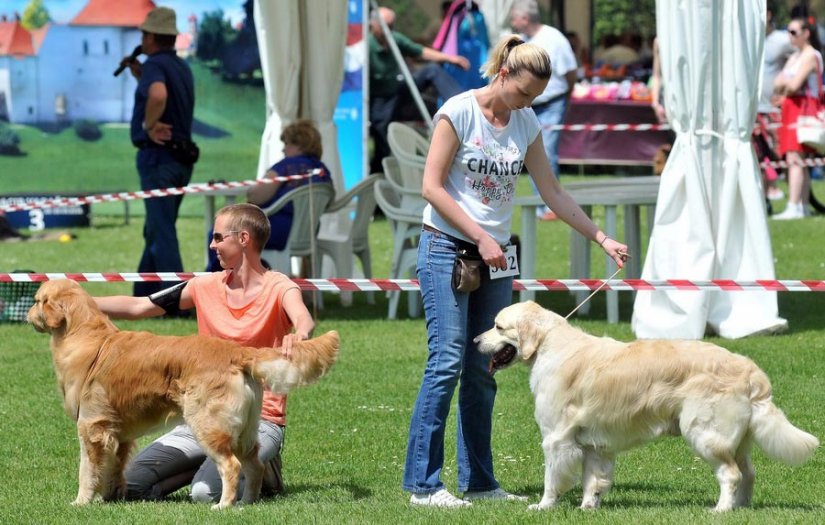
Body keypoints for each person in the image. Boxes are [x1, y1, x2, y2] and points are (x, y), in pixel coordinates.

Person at [403, 35, 628, 508]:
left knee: (485, 368)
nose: (529, 104)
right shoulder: (457, 112)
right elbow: (431, 187)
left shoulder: (525, 123)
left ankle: (480, 483)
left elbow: (554, 192)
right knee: (445, 361)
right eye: (524, 93)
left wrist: (600, 238)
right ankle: (423, 486)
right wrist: (480, 237)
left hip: (497, 258)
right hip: (448, 248)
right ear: (503, 73)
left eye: (536, 98)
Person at [94, 203, 315, 503]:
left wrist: (300, 335)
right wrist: (78, 298)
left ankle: (263, 468)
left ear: (244, 239)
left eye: (219, 237)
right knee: (128, 488)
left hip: (258, 420)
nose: (212, 245)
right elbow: (140, 306)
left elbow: (303, 318)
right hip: (201, 416)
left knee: (204, 493)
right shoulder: (204, 286)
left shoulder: (279, 287)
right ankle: (213, 459)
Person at [123, 7, 197, 297]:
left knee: (161, 230)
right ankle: (144, 295)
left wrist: (149, 124)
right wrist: (140, 76)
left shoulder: (155, 65)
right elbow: (161, 91)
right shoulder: (180, 67)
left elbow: (158, 95)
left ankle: (175, 300)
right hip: (181, 159)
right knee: (156, 228)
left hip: (158, 158)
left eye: (144, 34)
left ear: (152, 37)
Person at [207, 120, 332, 272]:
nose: (284, 150)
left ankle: (218, 281)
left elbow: (256, 196)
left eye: (287, 144)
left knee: (220, 234)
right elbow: (330, 202)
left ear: (299, 144)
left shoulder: (287, 165)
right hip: (307, 233)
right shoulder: (322, 171)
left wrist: (251, 194)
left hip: (276, 231)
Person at [369, 6, 471, 174]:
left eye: (392, 25)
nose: (389, 30)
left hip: (400, 90)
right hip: (380, 100)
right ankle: (377, 176)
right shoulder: (368, 46)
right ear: (374, 25)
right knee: (382, 144)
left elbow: (421, 51)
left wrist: (450, 58)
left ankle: (462, 105)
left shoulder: (395, 38)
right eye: (385, 26)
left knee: (432, 70)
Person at [509, 0, 577, 221]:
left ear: (524, 18)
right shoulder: (520, 41)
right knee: (530, 155)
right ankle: (543, 205)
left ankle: (551, 207)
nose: (512, 22)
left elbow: (571, 72)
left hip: (552, 102)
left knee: (546, 153)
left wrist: (566, 98)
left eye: (514, 18)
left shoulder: (554, 38)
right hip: (528, 105)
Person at [772, 15, 823, 220]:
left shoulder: (811, 55)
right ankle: (800, 205)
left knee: (795, 158)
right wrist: (786, 85)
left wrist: (786, 84)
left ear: (806, 33)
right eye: (788, 31)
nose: (790, 36)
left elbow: (791, 86)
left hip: (804, 109)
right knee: (795, 158)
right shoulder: (795, 56)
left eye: (794, 32)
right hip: (792, 108)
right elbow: (777, 83)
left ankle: (794, 205)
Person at [754, 4, 795, 210]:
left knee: (784, 156)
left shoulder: (783, 40)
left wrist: (785, 88)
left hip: (774, 110)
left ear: (768, 15)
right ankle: (765, 199)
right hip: (753, 110)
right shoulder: (749, 38)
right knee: (758, 157)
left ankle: (795, 201)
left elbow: (802, 57)